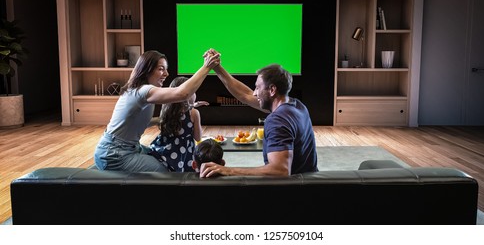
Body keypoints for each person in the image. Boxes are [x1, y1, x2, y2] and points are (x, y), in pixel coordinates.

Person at [93, 49, 220, 172]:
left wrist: (189, 107)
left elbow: (142, 121)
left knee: (164, 156)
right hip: (114, 155)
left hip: (125, 148)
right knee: (168, 168)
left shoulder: (139, 91)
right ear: (146, 70)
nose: (166, 73)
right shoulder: (143, 91)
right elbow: (182, 93)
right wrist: (206, 67)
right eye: (161, 69)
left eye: (166, 69)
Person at [200, 49, 318, 178]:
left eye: (257, 87)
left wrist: (228, 170)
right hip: (309, 182)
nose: (255, 93)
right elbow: (245, 95)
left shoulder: (277, 120)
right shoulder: (296, 106)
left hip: (294, 191)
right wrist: (218, 68)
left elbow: (280, 171)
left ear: (272, 90)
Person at [148, 76, 208, 172]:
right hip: (183, 155)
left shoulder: (165, 108)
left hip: (164, 152)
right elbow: (198, 137)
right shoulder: (194, 113)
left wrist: (192, 105)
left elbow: (179, 110)